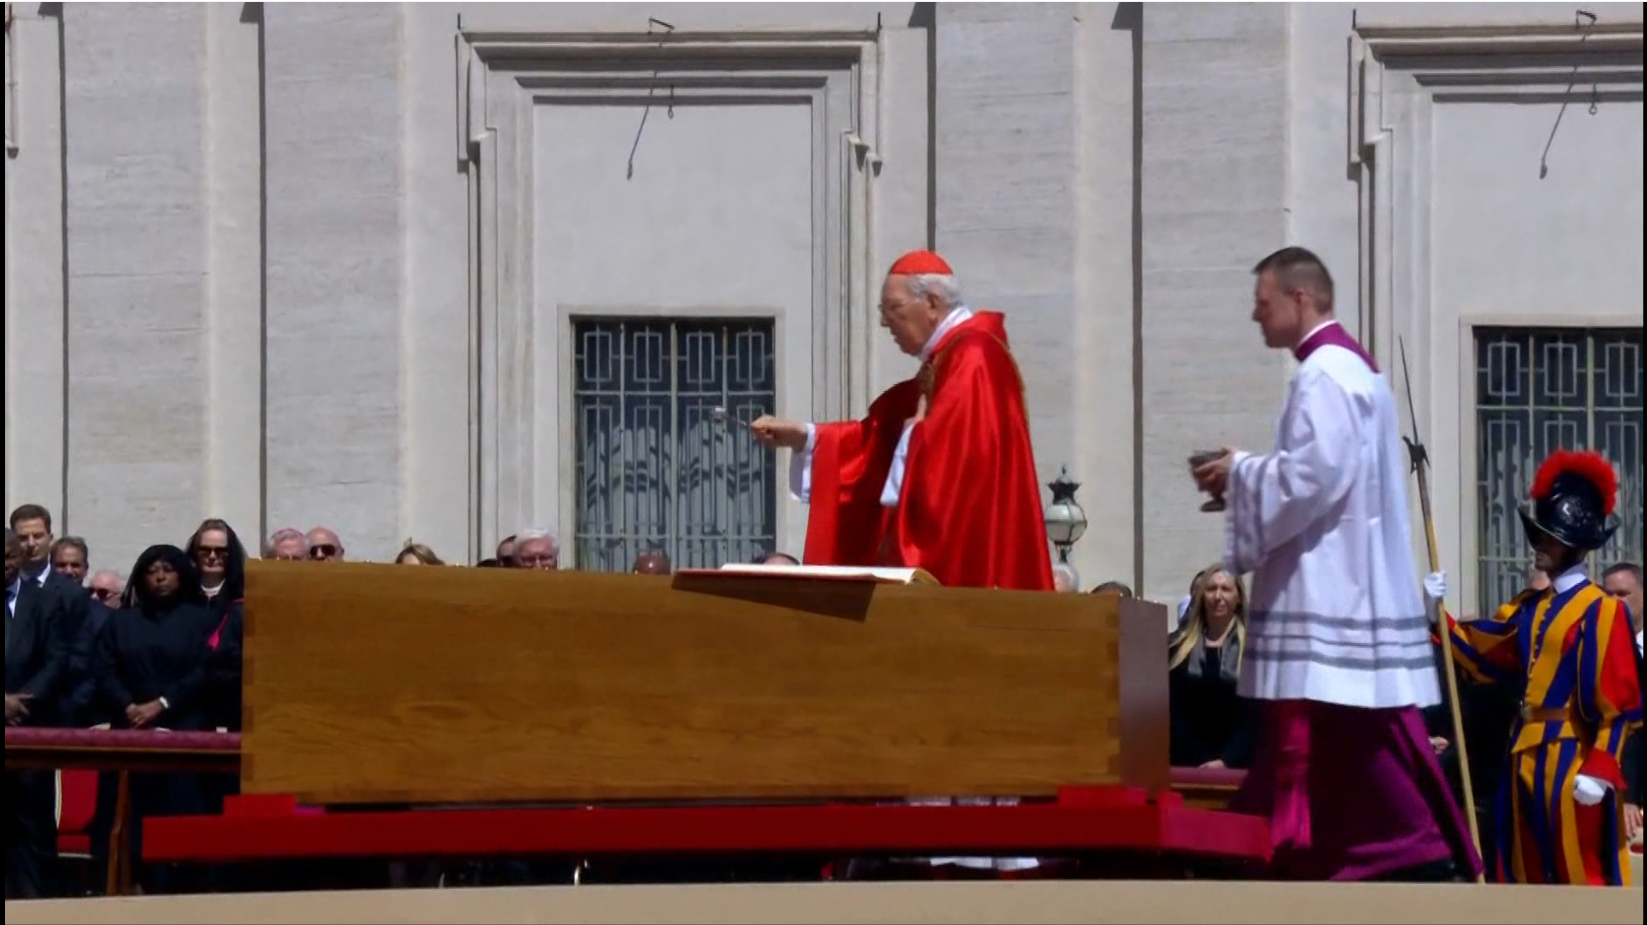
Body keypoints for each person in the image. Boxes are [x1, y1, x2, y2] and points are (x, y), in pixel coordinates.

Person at [1190, 246, 1479, 882]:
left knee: (1349, 739)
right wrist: (1246, 484)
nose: (1253, 316)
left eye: (1262, 303)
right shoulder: (1352, 371)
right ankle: (1315, 856)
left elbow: (1313, 478)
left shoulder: (1325, 374)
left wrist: (1242, 472)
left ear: (1300, 299)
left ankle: (1412, 856)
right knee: (1344, 741)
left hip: (1330, 592)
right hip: (1348, 579)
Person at [751, 250, 1052, 592]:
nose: (884, 322)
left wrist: (915, 435)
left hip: (967, 569)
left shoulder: (973, 357)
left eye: (892, 309)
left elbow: (955, 473)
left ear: (933, 303)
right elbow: (878, 439)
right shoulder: (946, 361)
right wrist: (807, 436)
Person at [1439, 450, 1642, 885]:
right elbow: (1484, 656)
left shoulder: (1602, 610)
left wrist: (1602, 766)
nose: (1538, 547)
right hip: (1521, 752)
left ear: (1572, 545)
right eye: (1539, 536)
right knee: (1523, 871)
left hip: (1572, 755)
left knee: (1578, 871)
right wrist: (1434, 612)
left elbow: (1620, 700)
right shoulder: (1530, 608)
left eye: (1548, 538)